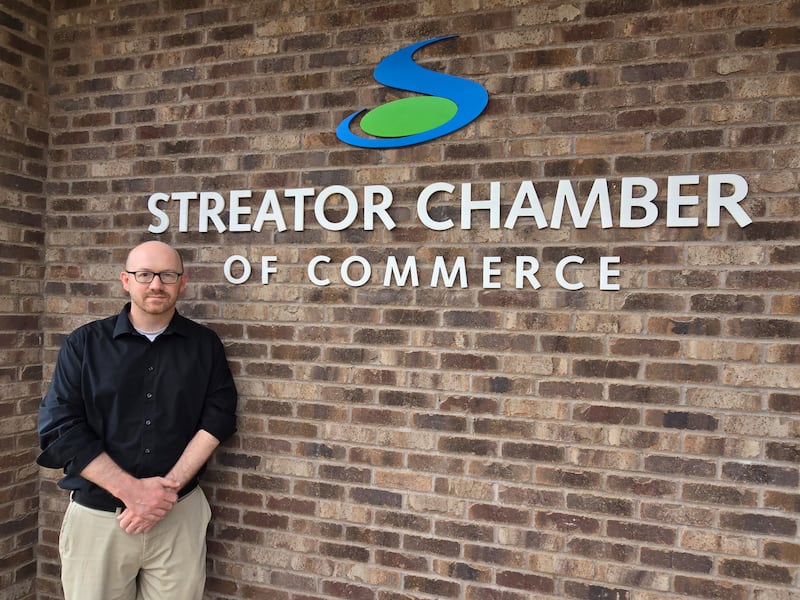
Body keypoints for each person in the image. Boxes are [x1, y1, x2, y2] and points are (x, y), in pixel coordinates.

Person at [37, 240, 238, 600]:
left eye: (167, 275)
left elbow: (219, 419)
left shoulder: (205, 345)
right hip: (100, 520)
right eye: (144, 274)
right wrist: (133, 493)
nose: (156, 284)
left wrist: (165, 491)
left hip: (177, 516)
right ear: (125, 281)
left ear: (183, 282)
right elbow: (59, 428)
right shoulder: (83, 345)